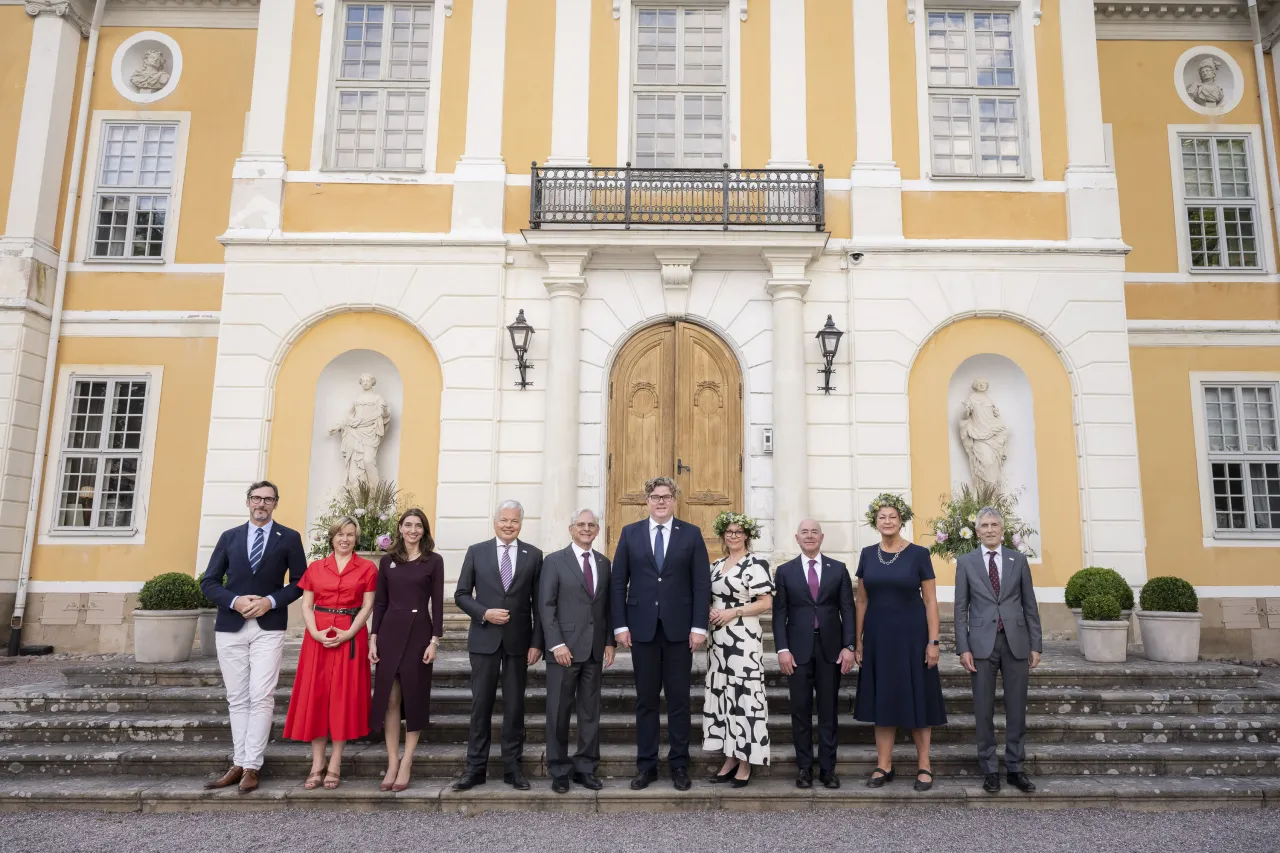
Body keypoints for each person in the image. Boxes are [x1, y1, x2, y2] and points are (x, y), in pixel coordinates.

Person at [200, 480, 308, 793]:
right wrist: (235, 601)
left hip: (269, 626)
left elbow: (300, 583)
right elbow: (209, 583)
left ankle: (252, 766)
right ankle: (238, 762)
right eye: (256, 498)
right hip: (231, 625)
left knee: (262, 694)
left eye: (268, 499)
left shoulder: (288, 537)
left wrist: (269, 601)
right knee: (237, 697)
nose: (261, 504)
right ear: (248, 502)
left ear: (275, 503)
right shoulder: (229, 537)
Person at [611, 476, 711, 792]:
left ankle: (680, 765)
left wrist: (698, 627)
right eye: (655, 497)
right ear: (647, 500)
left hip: (680, 630)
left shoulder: (692, 535)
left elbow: (701, 584)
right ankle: (647, 766)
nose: (661, 502)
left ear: (674, 500)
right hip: (642, 629)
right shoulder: (630, 534)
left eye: (666, 497)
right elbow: (617, 583)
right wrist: (620, 625)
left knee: (679, 700)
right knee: (647, 701)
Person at [853, 494, 947, 792]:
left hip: (912, 636)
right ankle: (884, 764)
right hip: (879, 638)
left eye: (893, 516)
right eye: (882, 517)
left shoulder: (919, 554)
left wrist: (933, 641)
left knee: (918, 698)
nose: (888, 521)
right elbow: (861, 601)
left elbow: (931, 600)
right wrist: (858, 641)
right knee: (883, 700)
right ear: (875, 522)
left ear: (901, 520)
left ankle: (924, 765)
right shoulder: (867, 554)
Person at [453, 500, 545, 791]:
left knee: (515, 707)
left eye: (514, 521)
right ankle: (475, 769)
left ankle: (512, 768)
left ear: (521, 523)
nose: (509, 525)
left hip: (519, 642)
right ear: (495, 522)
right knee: (481, 706)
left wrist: (537, 642)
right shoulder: (476, 552)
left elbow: (539, 604)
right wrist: (484, 613)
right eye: (504, 520)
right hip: (484, 639)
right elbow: (461, 594)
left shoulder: (534, 555)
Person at [283, 515, 378, 790]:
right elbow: (306, 605)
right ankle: (317, 763)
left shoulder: (368, 568)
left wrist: (349, 633)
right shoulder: (315, 568)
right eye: (340, 534)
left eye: (350, 534)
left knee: (342, 698)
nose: (345, 539)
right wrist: (313, 632)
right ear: (332, 537)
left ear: (356, 538)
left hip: (350, 634)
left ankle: (335, 762)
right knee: (317, 697)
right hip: (319, 636)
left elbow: (367, 605)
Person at [955, 506, 1042, 794]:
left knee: (1016, 709)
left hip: (1016, 643)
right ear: (977, 531)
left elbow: (1030, 604)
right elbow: (960, 608)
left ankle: (1016, 768)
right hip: (981, 644)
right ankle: (990, 769)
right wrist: (963, 647)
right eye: (985, 525)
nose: (990, 529)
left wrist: (1036, 643)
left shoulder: (1018, 560)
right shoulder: (966, 562)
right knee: (983, 710)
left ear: (1002, 530)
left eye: (994, 525)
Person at [773, 518, 855, 789]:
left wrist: (850, 646)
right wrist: (782, 649)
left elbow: (848, 610)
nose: (809, 536)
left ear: (822, 537)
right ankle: (804, 768)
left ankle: (828, 769)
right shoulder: (785, 571)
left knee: (829, 711)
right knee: (800, 710)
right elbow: (780, 613)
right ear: (797, 538)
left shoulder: (838, 569)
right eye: (804, 532)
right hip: (797, 651)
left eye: (814, 532)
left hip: (831, 649)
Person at [540, 508, 616, 793]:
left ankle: (585, 767)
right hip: (564, 650)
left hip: (595, 649)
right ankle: (558, 769)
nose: (586, 529)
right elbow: (546, 606)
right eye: (581, 525)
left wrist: (609, 641)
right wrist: (556, 643)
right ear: (571, 528)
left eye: (591, 525)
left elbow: (606, 607)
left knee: (589, 713)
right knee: (558, 712)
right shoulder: (554, 561)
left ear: (597, 531)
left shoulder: (604, 562)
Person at [370, 508, 444, 792]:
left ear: (424, 531)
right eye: (408, 525)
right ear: (399, 528)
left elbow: (437, 603)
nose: (413, 530)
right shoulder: (387, 561)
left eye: (419, 526)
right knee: (390, 698)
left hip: (419, 633)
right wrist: (373, 638)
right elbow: (380, 603)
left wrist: (434, 641)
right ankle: (392, 761)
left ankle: (407, 761)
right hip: (389, 632)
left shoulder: (433, 561)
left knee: (413, 696)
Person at [703, 512, 774, 788]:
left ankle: (746, 761)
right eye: (729, 532)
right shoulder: (716, 565)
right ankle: (730, 756)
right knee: (724, 695)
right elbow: (709, 595)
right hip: (719, 639)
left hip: (743, 636)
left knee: (744, 695)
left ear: (747, 535)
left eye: (738, 532)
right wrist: (710, 610)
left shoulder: (755, 563)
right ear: (723, 535)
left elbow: (765, 602)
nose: (733, 536)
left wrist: (734, 612)